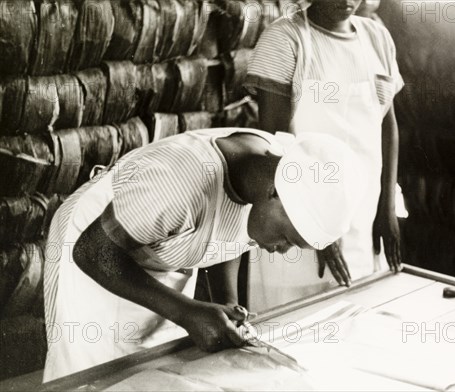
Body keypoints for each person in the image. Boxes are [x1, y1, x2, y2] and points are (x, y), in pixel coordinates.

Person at [42, 127, 365, 382]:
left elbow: (230, 231)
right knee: (95, 372)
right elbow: (92, 251)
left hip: (162, 246)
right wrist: (185, 311)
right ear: (274, 194)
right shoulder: (178, 183)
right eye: (287, 239)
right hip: (97, 245)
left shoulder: (266, 172)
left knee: (152, 370)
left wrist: (225, 302)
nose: (282, 251)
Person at [244, 0, 404, 309]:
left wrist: (387, 209)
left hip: (363, 215)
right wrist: (316, 230)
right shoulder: (285, 39)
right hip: (294, 220)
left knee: (358, 325)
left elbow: (387, 125)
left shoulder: (377, 37)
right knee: (297, 325)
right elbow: (277, 146)